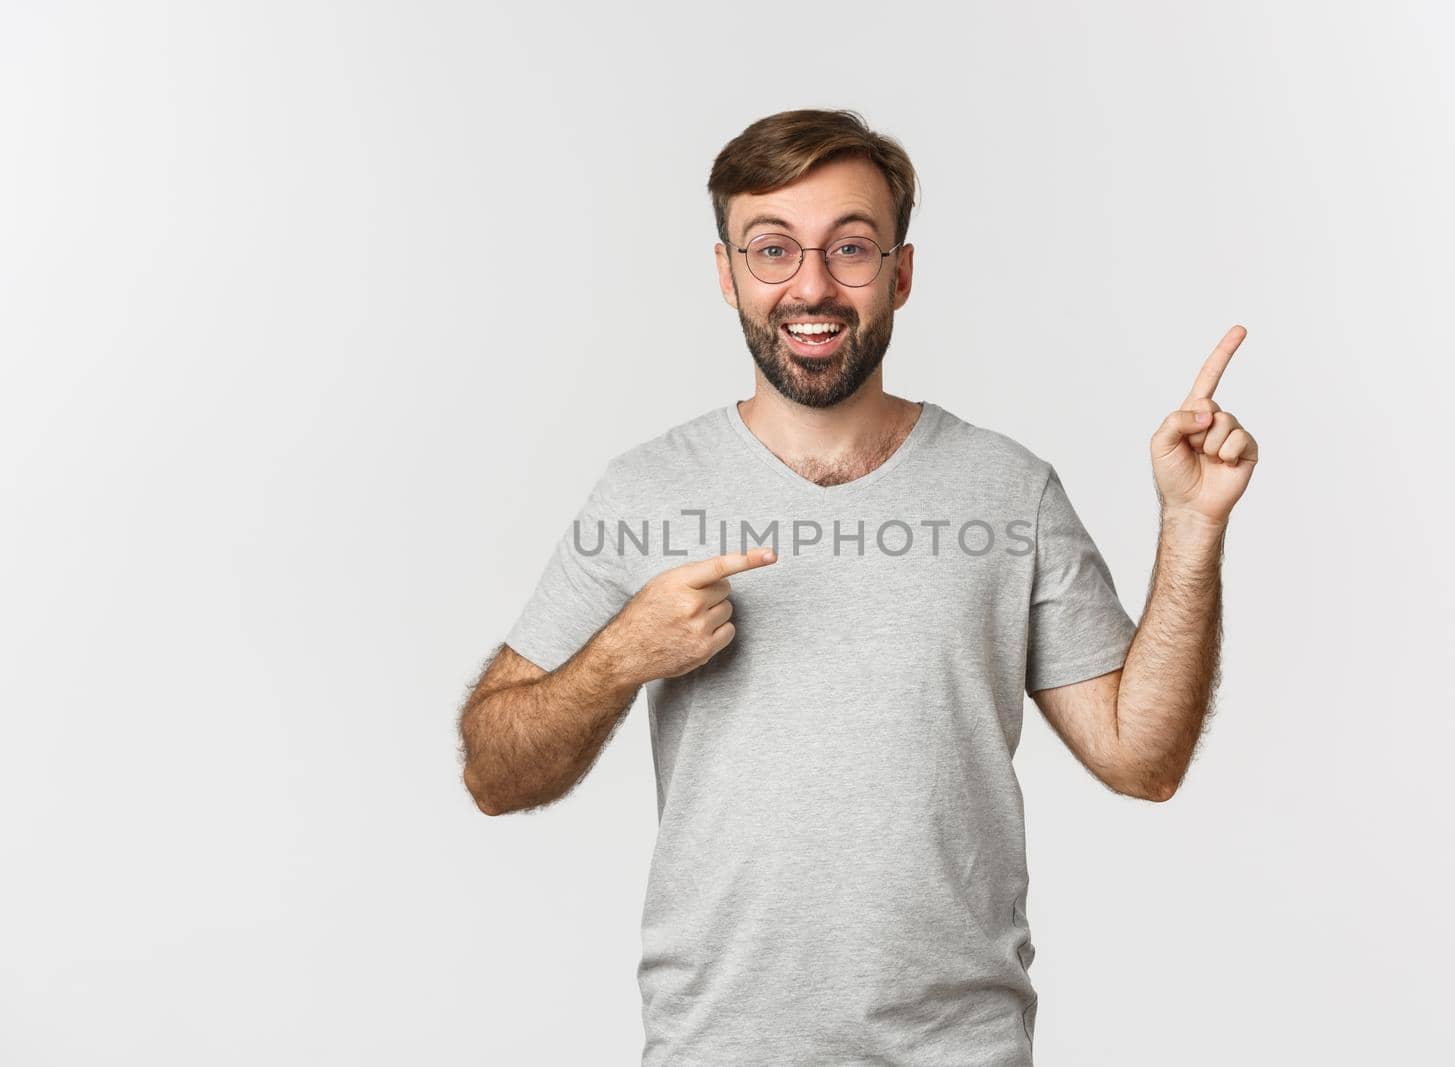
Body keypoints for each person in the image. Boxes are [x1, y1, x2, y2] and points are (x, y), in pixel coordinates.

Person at [458, 108, 1260, 1065]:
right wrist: (620, 658)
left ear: (901, 274)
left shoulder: (1008, 490)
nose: (811, 285)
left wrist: (1193, 525)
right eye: (771, 250)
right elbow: (492, 772)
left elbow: (1144, 757)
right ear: (725, 274)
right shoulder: (647, 490)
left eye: (850, 248)